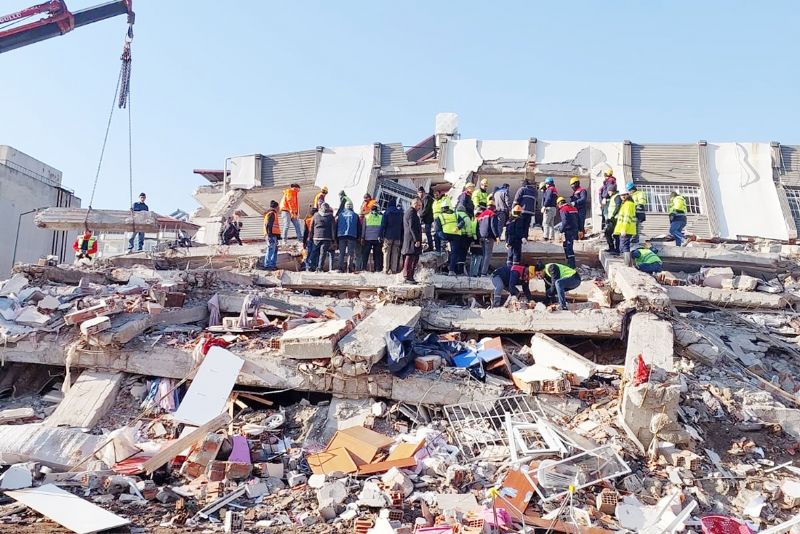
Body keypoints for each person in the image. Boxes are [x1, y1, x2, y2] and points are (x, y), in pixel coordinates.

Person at [438, 204, 467, 276]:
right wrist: (457, 228)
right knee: (454, 253)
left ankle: (443, 269)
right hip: (455, 235)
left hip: (445, 235)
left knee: (444, 252)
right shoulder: (456, 215)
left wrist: (442, 236)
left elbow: (437, 229)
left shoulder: (440, 216)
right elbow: (462, 222)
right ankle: (451, 270)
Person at [613, 188, 638, 266]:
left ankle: (627, 264)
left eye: (624, 195)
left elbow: (627, 218)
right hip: (626, 229)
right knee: (624, 245)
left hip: (626, 229)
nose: (622, 196)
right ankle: (627, 263)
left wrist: (624, 229)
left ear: (628, 195)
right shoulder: (626, 204)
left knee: (624, 246)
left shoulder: (628, 204)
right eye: (621, 195)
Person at [308, 203, 336, 272]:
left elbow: (311, 226)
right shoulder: (331, 216)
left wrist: (310, 236)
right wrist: (333, 239)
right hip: (327, 237)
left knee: (314, 252)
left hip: (316, 237)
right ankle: (320, 268)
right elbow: (333, 229)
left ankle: (311, 266)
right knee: (322, 253)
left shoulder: (316, 215)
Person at [402, 198, 423, 283]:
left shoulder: (412, 212)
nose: (420, 208)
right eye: (419, 206)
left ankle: (410, 276)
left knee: (414, 258)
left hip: (412, 239)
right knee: (410, 257)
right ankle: (407, 276)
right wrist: (416, 239)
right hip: (411, 239)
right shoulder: (411, 212)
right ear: (415, 204)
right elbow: (412, 227)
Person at [476, 200, 500, 275]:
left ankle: (480, 272)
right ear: (493, 207)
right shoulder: (492, 214)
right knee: (488, 255)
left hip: (481, 236)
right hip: (489, 237)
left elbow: (477, 227)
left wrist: (478, 236)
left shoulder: (481, 215)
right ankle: (484, 272)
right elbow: (493, 226)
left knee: (483, 255)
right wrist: (497, 236)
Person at [380, 200, 404, 274]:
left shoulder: (387, 212)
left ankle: (386, 269)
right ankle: (393, 270)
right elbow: (402, 226)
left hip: (388, 236)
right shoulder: (400, 213)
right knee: (395, 253)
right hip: (397, 236)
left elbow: (383, 225)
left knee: (386, 252)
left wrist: (380, 235)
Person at [336, 200, 360, 272]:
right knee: (350, 253)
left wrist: (336, 237)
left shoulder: (340, 215)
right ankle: (349, 268)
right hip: (352, 236)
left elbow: (336, 226)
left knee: (342, 253)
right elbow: (359, 227)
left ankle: (340, 268)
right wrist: (358, 237)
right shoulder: (355, 215)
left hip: (341, 235)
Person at [557, 197, 579, 268]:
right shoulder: (573, 208)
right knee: (566, 244)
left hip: (569, 230)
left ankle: (571, 265)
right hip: (575, 229)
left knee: (569, 247)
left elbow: (565, 221)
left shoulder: (563, 209)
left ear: (559, 203)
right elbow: (579, 219)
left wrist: (561, 230)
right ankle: (569, 261)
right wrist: (581, 229)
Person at [361, 204, 383, 272]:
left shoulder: (366, 217)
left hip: (368, 238)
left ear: (370, 210)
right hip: (377, 238)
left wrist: (362, 237)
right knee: (377, 255)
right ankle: (377, 269)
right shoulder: (381, 217)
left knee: (365, 254)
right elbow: (382, 228)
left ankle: (364, 268)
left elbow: (364, 228)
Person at [603, 184, 622, 254]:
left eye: (609, 191)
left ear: (612, 191)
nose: (608, 193)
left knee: (611, 234)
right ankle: (613, 248)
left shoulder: (617, 197)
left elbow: (618, 206)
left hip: (615, 219)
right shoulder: (613, 197)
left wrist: (613, 215)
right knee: (611, 234)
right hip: (612, 219)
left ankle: (615, 249)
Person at [262, 201, 281, 269]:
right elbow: (269, 225)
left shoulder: (272, 214)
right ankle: (267, 265)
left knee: (274, 250)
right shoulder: (271, 214)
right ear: (276, 207)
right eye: (278, 207)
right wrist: (269, 235)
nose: (279, 208)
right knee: (271, 249)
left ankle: (272, 265)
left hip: (273, 235)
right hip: (271, 235)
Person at [541, 177, 558, 241]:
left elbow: (548, 198)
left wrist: (544, 206)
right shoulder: (554, 189)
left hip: (548, 208)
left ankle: (545, 237)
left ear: (548, 183)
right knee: (551, 224)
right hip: (553, 208)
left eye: (546, 183)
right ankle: (552, 237)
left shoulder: (549, 189)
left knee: (545, 223)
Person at [418, 187, 435, 251]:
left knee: (428, 233)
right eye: (420, 193)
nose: (421, 194)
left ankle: (430, 247)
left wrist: (420, 216)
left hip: (428, 219)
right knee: (427, 233)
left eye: (421, 193)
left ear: (424, 192)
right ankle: (430, 246)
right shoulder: (425, 198)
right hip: (427, 219)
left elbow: (426, 209)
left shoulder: (426, 198)